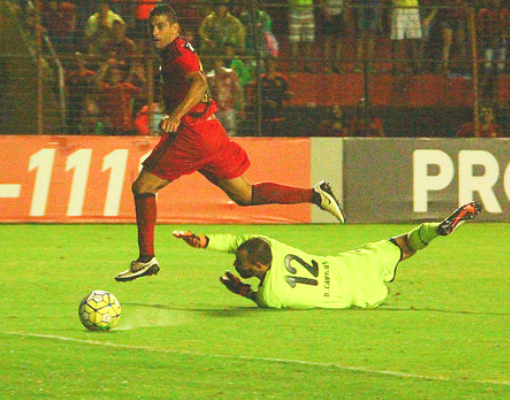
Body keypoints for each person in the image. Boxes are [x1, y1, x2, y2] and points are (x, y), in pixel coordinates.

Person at [114, 5, 346, 282]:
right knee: (246, 195)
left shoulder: (176, 53)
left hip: (191, 135)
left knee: (143, 187)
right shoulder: (174, 50)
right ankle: (316, 195)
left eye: (161, 26)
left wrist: (176, 115)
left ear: (175, 29)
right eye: (151, 27)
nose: (154, 32)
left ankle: (146, 259)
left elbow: (200, 84)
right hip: (210, 131)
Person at [173, 201, 481, 309]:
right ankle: (435, 230)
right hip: (352, 264)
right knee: (404, 246)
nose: (235, 261)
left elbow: (257, 298)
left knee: (403, 252)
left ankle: (435, 230)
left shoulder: (272, 295)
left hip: (362, 294)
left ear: (258, 266)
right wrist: (201, 241)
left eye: (241, 263)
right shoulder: (272, 245)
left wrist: (239, 289)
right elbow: (239, 241)